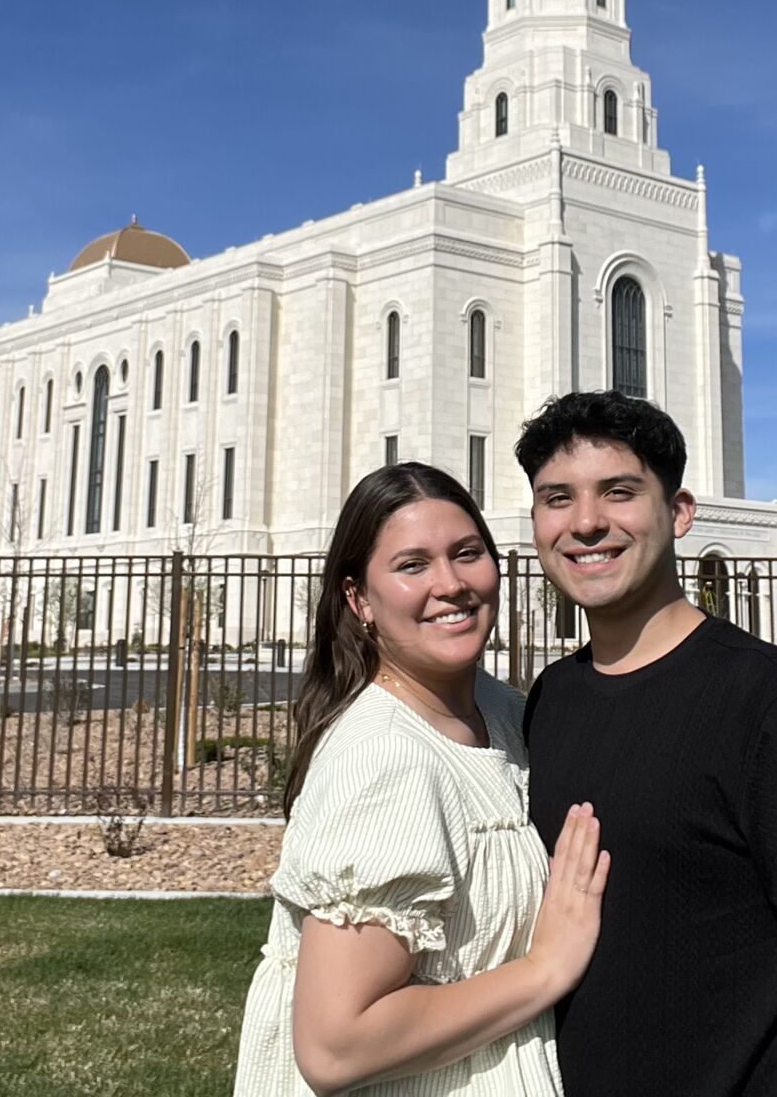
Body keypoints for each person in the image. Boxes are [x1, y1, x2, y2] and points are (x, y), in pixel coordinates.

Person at [517, 390, 777, 1097]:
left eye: (619, 492)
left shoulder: (773, 705)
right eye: (558, 498)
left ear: (679, 513)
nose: (585, 522)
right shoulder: (550, 698)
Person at [233, 461, 609, 1096]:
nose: (451, 584)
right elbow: (337, 1046)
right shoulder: (385, 756)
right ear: (359, 599)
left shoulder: (502, 710)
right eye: (412, 565)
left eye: (467, 553)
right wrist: (546, 968)